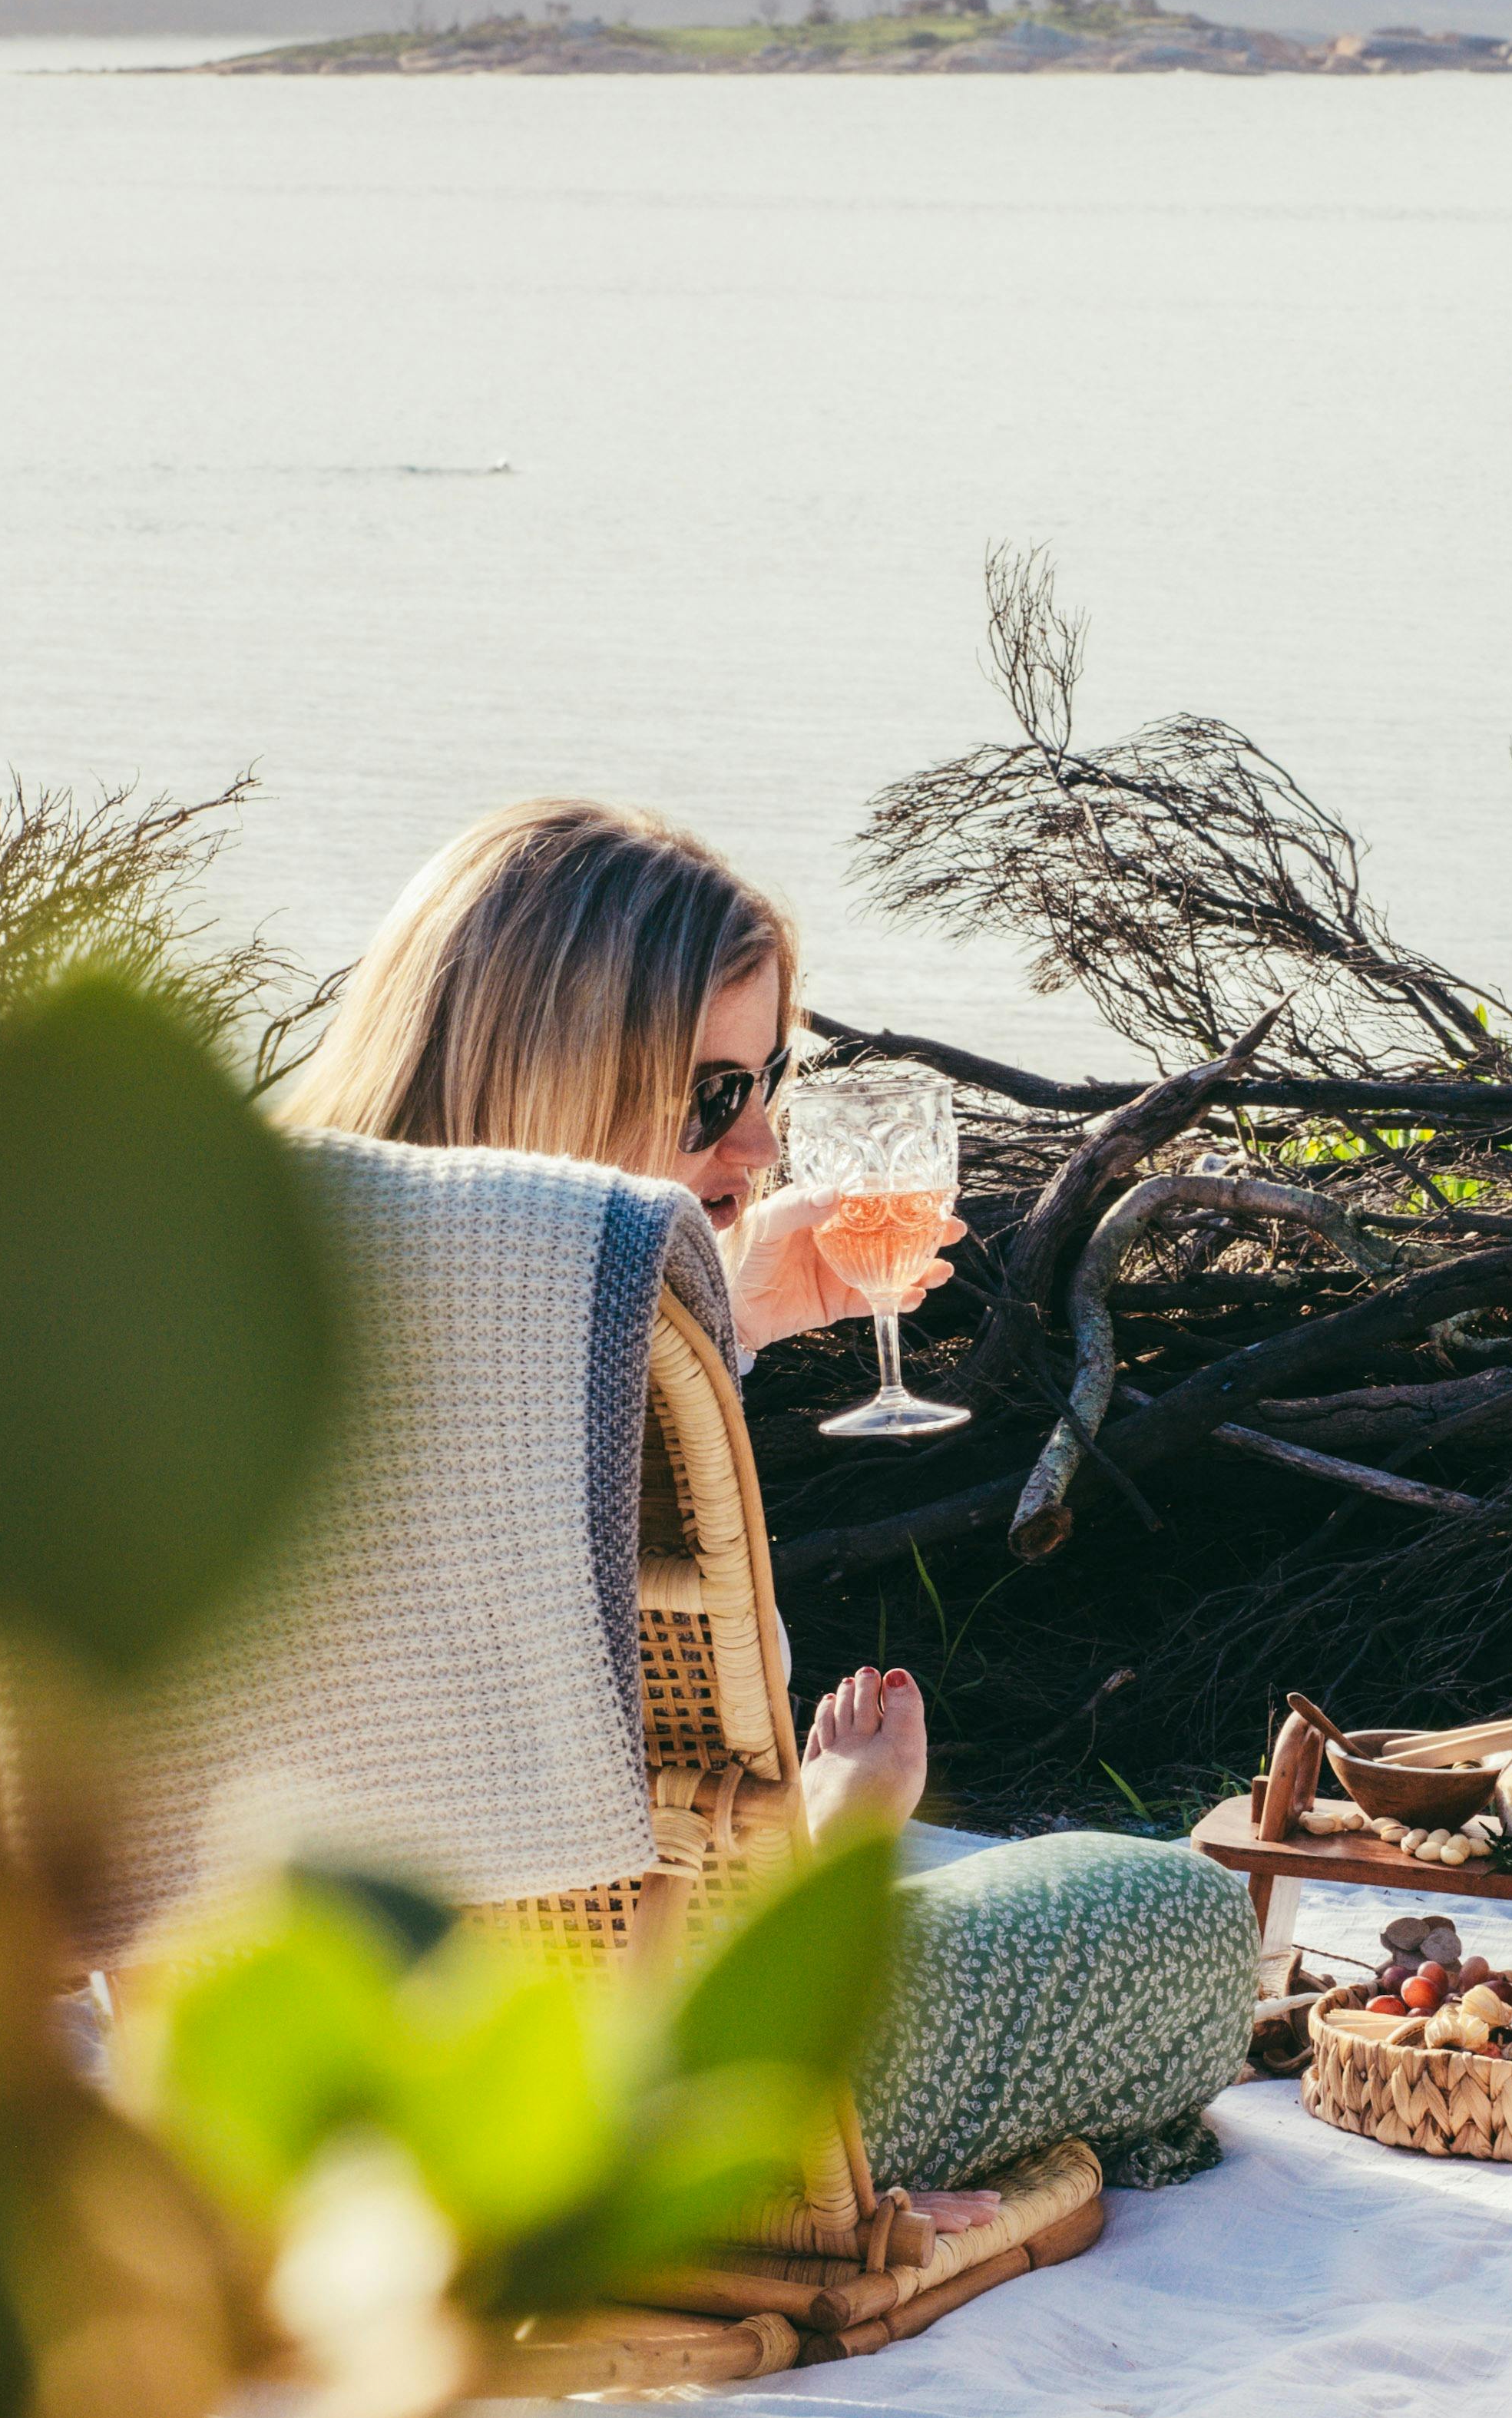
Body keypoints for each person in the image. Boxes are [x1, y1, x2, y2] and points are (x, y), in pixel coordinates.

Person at [287, 795, 1256, 2194]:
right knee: (1175, 1908)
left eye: (767, 1084)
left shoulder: (245, 1310)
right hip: (653, 2115)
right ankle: (822, 1833)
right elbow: (625, 1901)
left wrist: (720, 1321)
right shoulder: (584, 1391)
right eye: (708, 1096)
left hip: (301, 2094)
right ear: (549, 1070)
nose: (755, 1152)